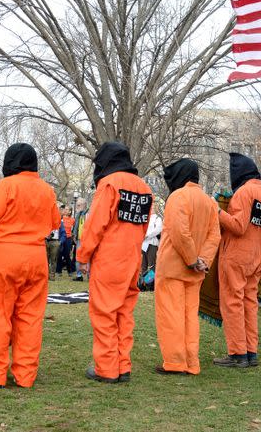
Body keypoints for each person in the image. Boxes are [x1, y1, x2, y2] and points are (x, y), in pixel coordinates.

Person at [0, 143, 59, 388]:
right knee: (30, 318)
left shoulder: (5, 186)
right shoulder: (47, 190)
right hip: (35, 258)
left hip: (3, 256)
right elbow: (54, 222)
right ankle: (26, 375)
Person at [76, 142, 152, 383]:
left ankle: (107, 368)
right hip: (132, 259)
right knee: (124, 314)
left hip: (109, 259)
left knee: (104, 313)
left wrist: (83, 256)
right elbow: (144, 226)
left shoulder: (109, 184)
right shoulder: (144, 188)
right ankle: (123, 365)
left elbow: (95, 224)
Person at [154, 159, 220, 375]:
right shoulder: (209, 202)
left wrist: (192, 259)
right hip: (196, 271)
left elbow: (179, 232)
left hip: (173, 267)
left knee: (171, 316)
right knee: (190, 317)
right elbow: (214, 236)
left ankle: (174, 362)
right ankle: (191, 362)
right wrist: (202, 261)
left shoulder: (178, 197)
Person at [213, 153, 261, 368]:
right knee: (250, 304)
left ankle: (237, 353)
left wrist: (217, 211)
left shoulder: (243, 193)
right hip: (257, 256)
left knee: (233, 303)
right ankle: (251, 351)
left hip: (237, 256)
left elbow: (238, 226)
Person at [141, 203, 162, 286]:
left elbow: (158, 229)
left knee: (151, 265)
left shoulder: (158, 218)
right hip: (143, 244)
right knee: (143, 265)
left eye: (153, 207)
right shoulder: (146, 218)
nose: (152, 208)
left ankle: (149, 284)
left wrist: (147, 235)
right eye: (151, 207)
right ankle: (143, 284)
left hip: (152, 244)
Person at [71, 197, 88, 281]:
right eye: (77, 204)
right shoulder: (78, 214)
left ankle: (90, 275)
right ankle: (79, 276)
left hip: (88, 239)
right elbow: (76, 226)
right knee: (78, 257)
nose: (77, 206)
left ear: (84, 205)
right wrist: (74, 235)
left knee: (88, 257)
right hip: (79, 239)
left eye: (78, 205)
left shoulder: (89, 213)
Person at [57, 206, 75, 277]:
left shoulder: (73, 220)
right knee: (59, 254)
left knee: (67, 255)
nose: (65, 210)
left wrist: (73, 237)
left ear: (70, 211)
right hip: (61, 238)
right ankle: (59, 271)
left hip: (68, 238)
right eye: (65, 209)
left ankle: (70, 271)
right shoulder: (60, 218)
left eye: (67, 209)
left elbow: (74, 229)